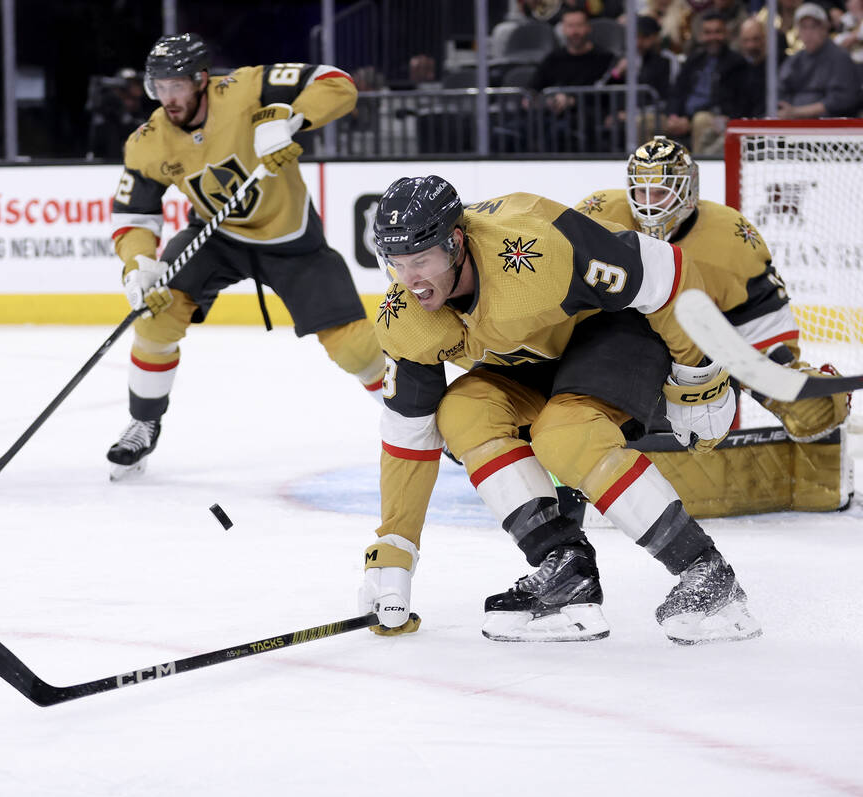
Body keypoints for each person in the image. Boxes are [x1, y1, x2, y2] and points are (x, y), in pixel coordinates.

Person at [357, 174, 764, 645]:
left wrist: (700, 377)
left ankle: (707, 573)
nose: (410, 281)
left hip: (615, 332)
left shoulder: (536, 250)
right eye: (396, 264)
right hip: (538, 356)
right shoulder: (404, 317)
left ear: (455, 243)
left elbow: (666, 270)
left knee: (563, 435)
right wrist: (395, 552)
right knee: (462, 412)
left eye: (421, 261)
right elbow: (409, 436)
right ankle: (565, 570)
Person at [106, 33, 385, 479]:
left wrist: (292, 118)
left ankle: (420, 423)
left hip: (289, 239)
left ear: (201, 79)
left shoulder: (245, 89)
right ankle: (144, 420)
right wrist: (138, 264)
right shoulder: (148, 142)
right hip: (215, 238)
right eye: (158, 87)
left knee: (354, 348)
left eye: (176, 85)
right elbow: (134, 217)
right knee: (155, 313)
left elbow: (337, 83)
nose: (167, 97)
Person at [574, 137, 852, 509]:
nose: (649, 204)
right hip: (611, 353)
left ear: (689, 191)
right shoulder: (596, 215)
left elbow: (760, 320)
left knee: (812, 410)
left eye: (661, 193)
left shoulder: (729, 236)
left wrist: (780, 371)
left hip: (694, 364)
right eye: (641, 192)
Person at [664, 11, 755, 155]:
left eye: (717, 32)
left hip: (714, 116)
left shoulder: (737, 63)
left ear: (727, 34)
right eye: (708, 32)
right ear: (700, 35)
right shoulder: (693, 60)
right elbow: (677, 91)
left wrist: (688, 119)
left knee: (701, 120)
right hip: (683, 117)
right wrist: (674, 115)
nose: (713, 37)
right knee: (645, 121)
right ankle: (647, 168)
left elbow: (739, 100)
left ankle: (697, 171)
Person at [526, 8, 617, 151]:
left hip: (587, 118)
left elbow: (607, 94)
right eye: (570, 26)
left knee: (560, 131)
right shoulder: (553, 59)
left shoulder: (605, 59)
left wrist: (572, 101)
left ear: (588, 28)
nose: (575, 32)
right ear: (562, 29)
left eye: (579, 25)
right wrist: (548, 102)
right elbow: (531, 92)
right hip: (552, 116)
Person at [777, 3, 861, 119]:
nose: (808, 33)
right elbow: (780, 91)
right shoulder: (794, 60)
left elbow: (842, 100)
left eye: (813, 26)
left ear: (825, 28)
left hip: (830, 128)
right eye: (803, 27)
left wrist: (798, 112)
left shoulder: (840, 58)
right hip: (793, 125)